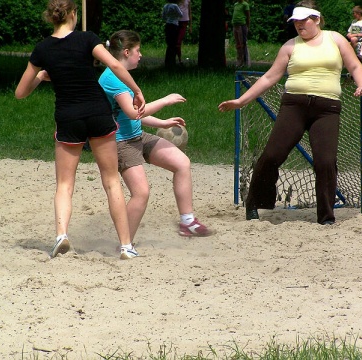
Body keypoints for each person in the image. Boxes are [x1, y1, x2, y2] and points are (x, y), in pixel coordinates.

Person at [15, 0, 146, 260]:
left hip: (68, 116)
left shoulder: (42, 49)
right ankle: (125, 246)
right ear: (74, 14)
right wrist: (137, 91)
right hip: (97, 113)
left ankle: (62, 236)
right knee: (111, 180)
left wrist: (41, 76)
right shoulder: (87, 39)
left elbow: (20, 93)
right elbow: (117, 66)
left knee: (64, 184)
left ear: (52, 17)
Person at [218, 0, 362, 225]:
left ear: (316, 19)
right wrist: (241, 101)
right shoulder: (290, 46)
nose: (299, 26)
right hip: (294, 107)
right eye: (295, 22)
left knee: (325, 162)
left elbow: (355, 66)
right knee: (271, 156)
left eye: (303, 21)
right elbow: (270, 77)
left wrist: (361, 83)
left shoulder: (335, 39)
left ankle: (326, 216)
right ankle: (254, 203)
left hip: (327, 109)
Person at [99, 30, 214, 244]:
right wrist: (166, 100)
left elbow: (131, 115)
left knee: (182, 163)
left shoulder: (123, 75)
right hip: (120, 143)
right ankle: (126, 243)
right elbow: (135, 112)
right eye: (137, 50)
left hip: (136, 136)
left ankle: (187, 222)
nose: (140, 55)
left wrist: (162, 123)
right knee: (141, 193)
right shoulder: (112, 78)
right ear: (126, 52)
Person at [162, 0, 183, 68]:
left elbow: (163, 16)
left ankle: (167, 61)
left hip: (168, 25)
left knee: (169, 44)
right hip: (174, 25)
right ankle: (172, 62)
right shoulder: (175, 6)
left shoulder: (166, 6)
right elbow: (181, 15)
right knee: (173, 44)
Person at [232, 0, 251, 67]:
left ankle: (245, 61)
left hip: (242, 25)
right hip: (235, 25)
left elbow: (248, 16)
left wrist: (247, 26)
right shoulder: (236, 4)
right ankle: (239, 59)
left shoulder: (245, 4)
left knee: (242, 43)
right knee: (238, 44)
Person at [177, 0, 192, 65]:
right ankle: (179, 59)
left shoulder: (188, 0)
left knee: (178, 42)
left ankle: (179, 59)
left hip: (184, 21)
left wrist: (190, 26)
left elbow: (189, 12)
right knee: (176, 42)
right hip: (177, 21)